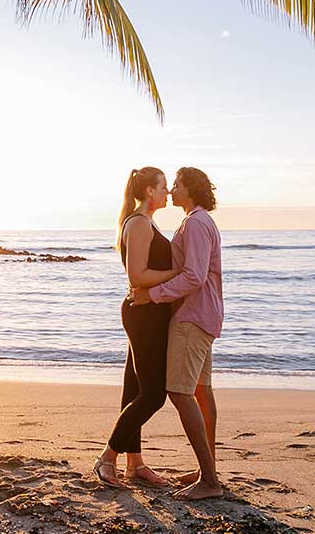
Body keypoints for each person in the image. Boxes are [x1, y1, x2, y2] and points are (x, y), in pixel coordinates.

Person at [129, 166, 224, 500]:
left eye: (178, 185)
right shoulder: (198, 221)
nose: (171, 190)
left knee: (180, 393)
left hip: (191, 317)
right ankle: (207, 469)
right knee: (201, 391)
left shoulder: (196, 223)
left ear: (192, 190)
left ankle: (210, 481)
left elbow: (194, 276)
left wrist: (151, 295)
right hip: (203, 315)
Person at [93, 167, 180, 488]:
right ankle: (106, 459)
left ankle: (135, 463)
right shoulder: (140, 224)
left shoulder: (145, 221)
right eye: (163, 187)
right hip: (143, 315)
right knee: (154, 395)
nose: (168, 192)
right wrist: (178, 272)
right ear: (148, 192)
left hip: (149, 313)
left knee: (134, 390)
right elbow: (137, 277)